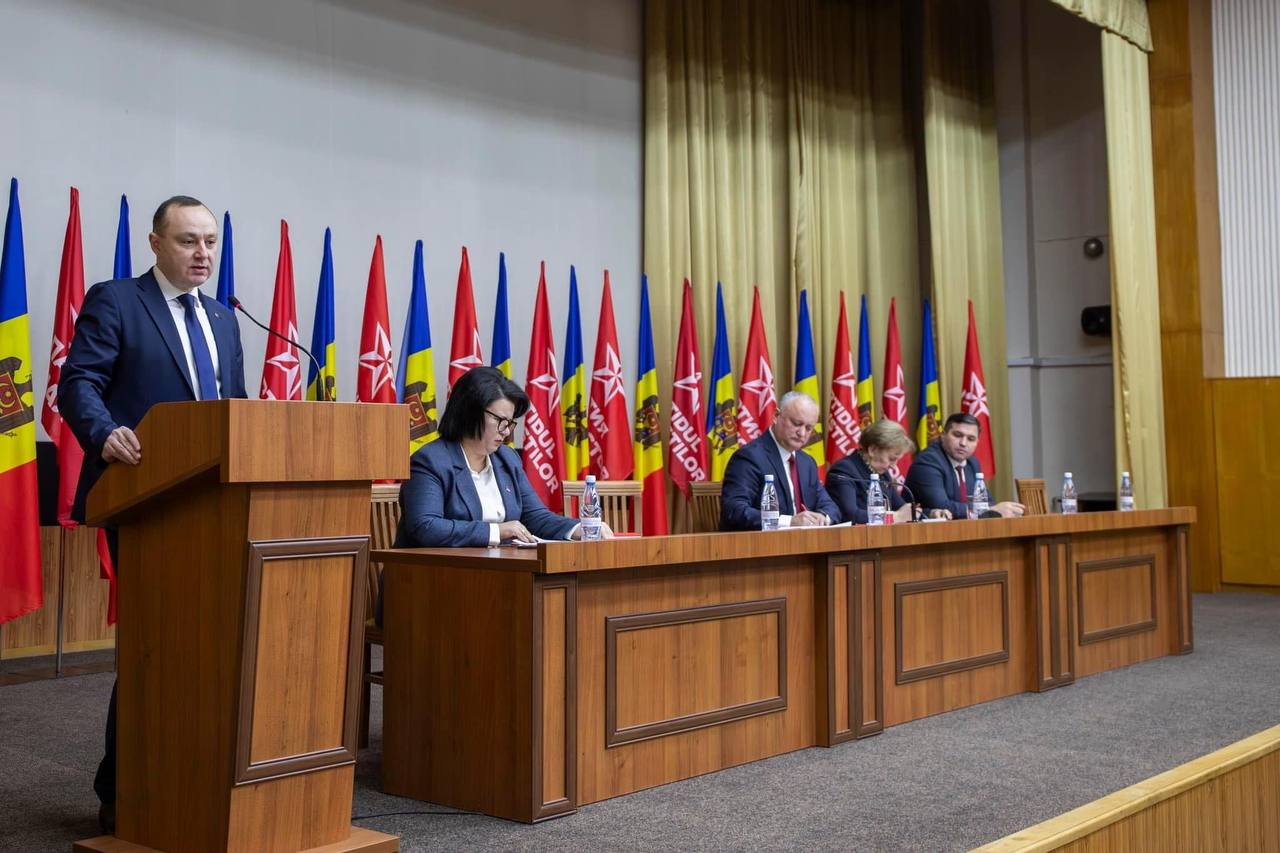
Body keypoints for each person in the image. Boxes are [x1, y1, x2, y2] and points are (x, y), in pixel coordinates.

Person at [58, 196, 248, 833]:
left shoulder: (224, 318)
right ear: (156, 244)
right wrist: (104, 431)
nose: (203, 254)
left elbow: (234, 411)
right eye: (189, 240)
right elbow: (78, 383)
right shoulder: (117, 301)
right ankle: (123, 790)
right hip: (143, 500)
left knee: (210, 648)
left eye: (211, 242)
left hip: (218, 509)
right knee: (154, 645)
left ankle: (192, 776)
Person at [394, 365, 611, 549]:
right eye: (500, 421)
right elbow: (425, 527)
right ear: (470, 413)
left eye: (510, 423)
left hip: (495, 572)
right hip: (432, 577)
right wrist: (496, 531)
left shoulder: (507, 459)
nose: (506, 432)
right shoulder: (430, 461)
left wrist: (580, 528)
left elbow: (535, 517)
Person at [720, 391, 840, 530]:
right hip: (760, 542)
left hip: (805, 541)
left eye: (808, 428)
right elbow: (734, 510)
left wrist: (822, 517)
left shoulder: (807, 462)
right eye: (796, 424)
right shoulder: (749, 457)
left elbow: (830, 507)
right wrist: (789, 522)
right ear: (776, 416)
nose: (801, 433)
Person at [904, 412, 1024, 519]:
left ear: (977, 442)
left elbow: (986, 501)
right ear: (943, 435)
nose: (963, 443)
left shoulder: (972, 463)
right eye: (957, 435)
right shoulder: (928, 461)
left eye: (971, 439)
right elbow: (942, 506)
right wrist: (990, 511)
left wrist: (1000, 509)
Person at [827, 420, 947, 524]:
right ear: (873, 450)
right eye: (891, 459)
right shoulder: (844, 471)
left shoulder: (882, 474)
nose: (894, 466)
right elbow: (850, 515)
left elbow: (901, 508)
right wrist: (894, 517)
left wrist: (930, 513)